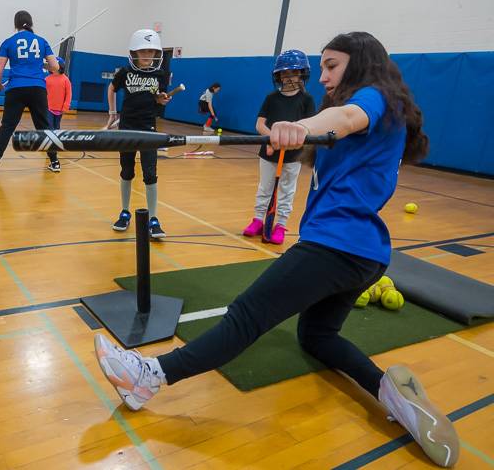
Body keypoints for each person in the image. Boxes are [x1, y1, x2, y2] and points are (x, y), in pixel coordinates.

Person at [94, 32, 458, 468]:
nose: (321, 76)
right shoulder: (385, 113)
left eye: (330, 65)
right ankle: (391, 395)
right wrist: (295, 135)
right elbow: (338, 128)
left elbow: (346, 117)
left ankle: (149, 376)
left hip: (336, 247)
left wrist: (301, 126)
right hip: (365, 252)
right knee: (316, 336)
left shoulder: (373, 97)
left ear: (360, 64)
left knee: (247, 315)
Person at [243, 50, 316, 244]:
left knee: (287, 189)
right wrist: (274, 138)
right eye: (284, 73)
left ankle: (281, 224)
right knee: (264, 188)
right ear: (278, 76)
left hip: (293, 155)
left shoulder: (306, 100)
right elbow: (260, 124)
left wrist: (291, 140)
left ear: (301, 74)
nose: (288, 77)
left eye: (292, 73)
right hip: (268, 152)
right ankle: (258, 220)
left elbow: (309, 128)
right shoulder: (271, 98)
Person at [107, 29, 172, 239]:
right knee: (126, 171)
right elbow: (111, 88)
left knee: (150, 173)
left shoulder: (159, 74)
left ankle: (153, 218)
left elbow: (157, 97)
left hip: (148, 128)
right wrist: (112, 112)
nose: (147, 56)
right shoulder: (125, 72)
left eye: (151, 52)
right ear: (134, 52)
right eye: (143, 51)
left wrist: (161, 99)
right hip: (127, 126)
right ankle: (124, 211)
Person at [0, 10, 60, 173]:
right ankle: (54, 162)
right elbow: (55, 67)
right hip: (37, 89)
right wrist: (42, 65)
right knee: (44, 127)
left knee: (7, 127)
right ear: (31, 23)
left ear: (15, 24)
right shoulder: (42, 41)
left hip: (16, 89)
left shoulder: (8, 42)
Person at [45, 56, 72, 129]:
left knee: (56, 127)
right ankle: (50, 140)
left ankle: (55, 140)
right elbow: (43, 93)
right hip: (48, 108)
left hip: (60, 109)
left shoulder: (66, 80)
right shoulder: (47, 79)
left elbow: (68, 94)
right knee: (49, 127)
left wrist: (66, 106)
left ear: (60, 66)